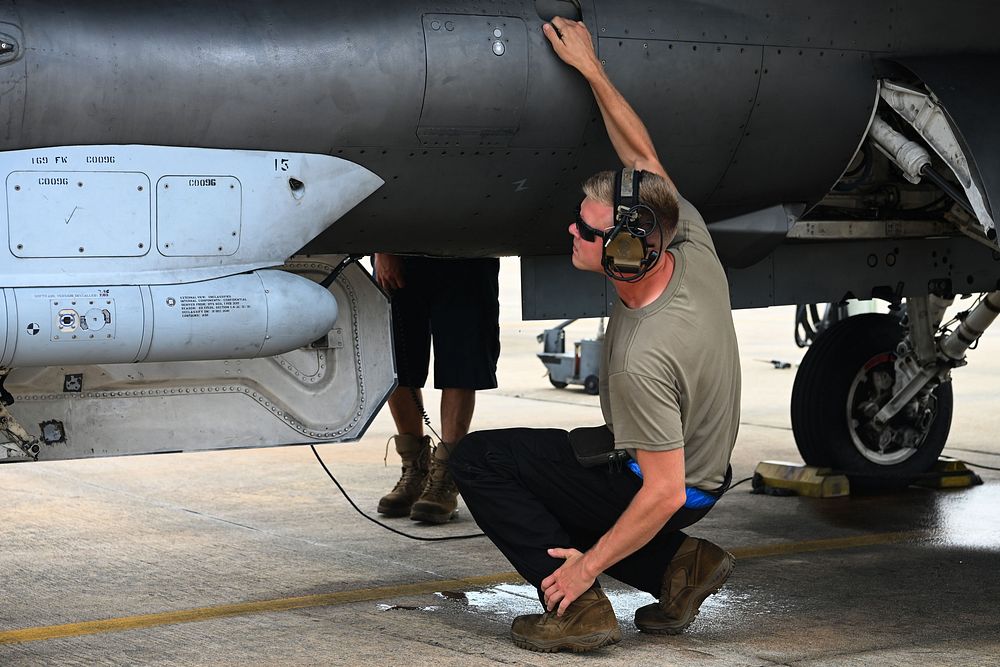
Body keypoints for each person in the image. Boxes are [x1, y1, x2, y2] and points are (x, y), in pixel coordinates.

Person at [449, 16, 741, 653]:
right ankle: (680, 569)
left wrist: (582, 566)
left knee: (480, 461)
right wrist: (591, 68)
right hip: (697, 463)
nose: (571, 232)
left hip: (676, 484)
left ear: (626, 251)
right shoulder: (686, 242)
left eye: (585, 231)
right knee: (567, 459)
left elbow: (661, 493)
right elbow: (642, 160)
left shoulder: (644, 354)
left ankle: (579, 609)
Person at [373, 253, 500, 524]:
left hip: (469, 249)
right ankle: (414, 469)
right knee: (396, 359)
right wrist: (382, 250)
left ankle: (445, 476)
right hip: (403, 249)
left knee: (462, 357)